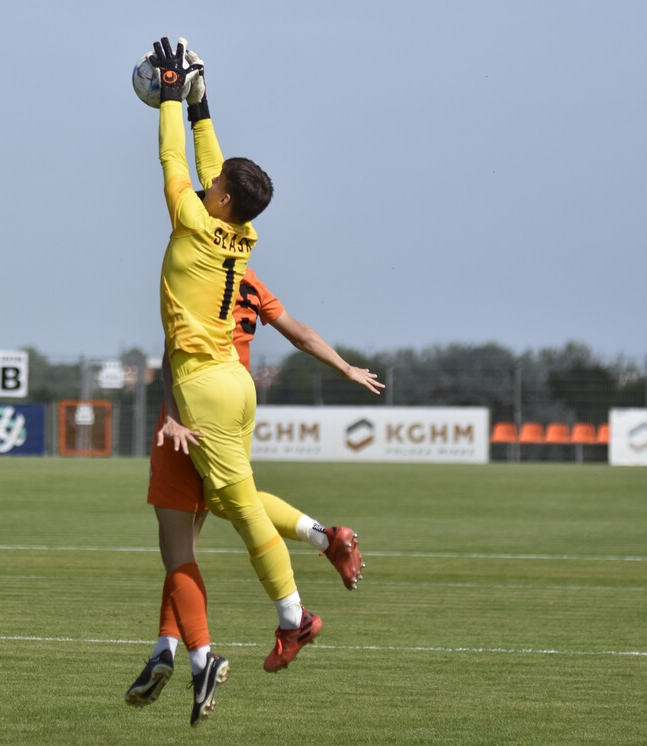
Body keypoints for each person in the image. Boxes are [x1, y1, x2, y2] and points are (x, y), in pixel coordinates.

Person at [137, 35, 368, 725]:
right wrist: (204, 104)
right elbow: (210, 164)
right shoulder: (242, 234)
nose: (205, 188)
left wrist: (171, 97)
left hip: (204, 387)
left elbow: (172, 159)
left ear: (222, 200)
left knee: (235, 511)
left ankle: (293, 617)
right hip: (237, 387)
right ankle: (186, 640)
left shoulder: (193, 223)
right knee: (233, 501)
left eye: (216, 188)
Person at [125, 265, 383, 717]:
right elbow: (299, 333)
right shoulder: (245, 277)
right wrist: (343, 367)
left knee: (185, 541)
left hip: (194, 408)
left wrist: (170, 410)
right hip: (236, 399)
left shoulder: (195, 270)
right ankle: (164, 649)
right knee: (220, 510)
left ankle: (266, 629)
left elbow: (175, 350)